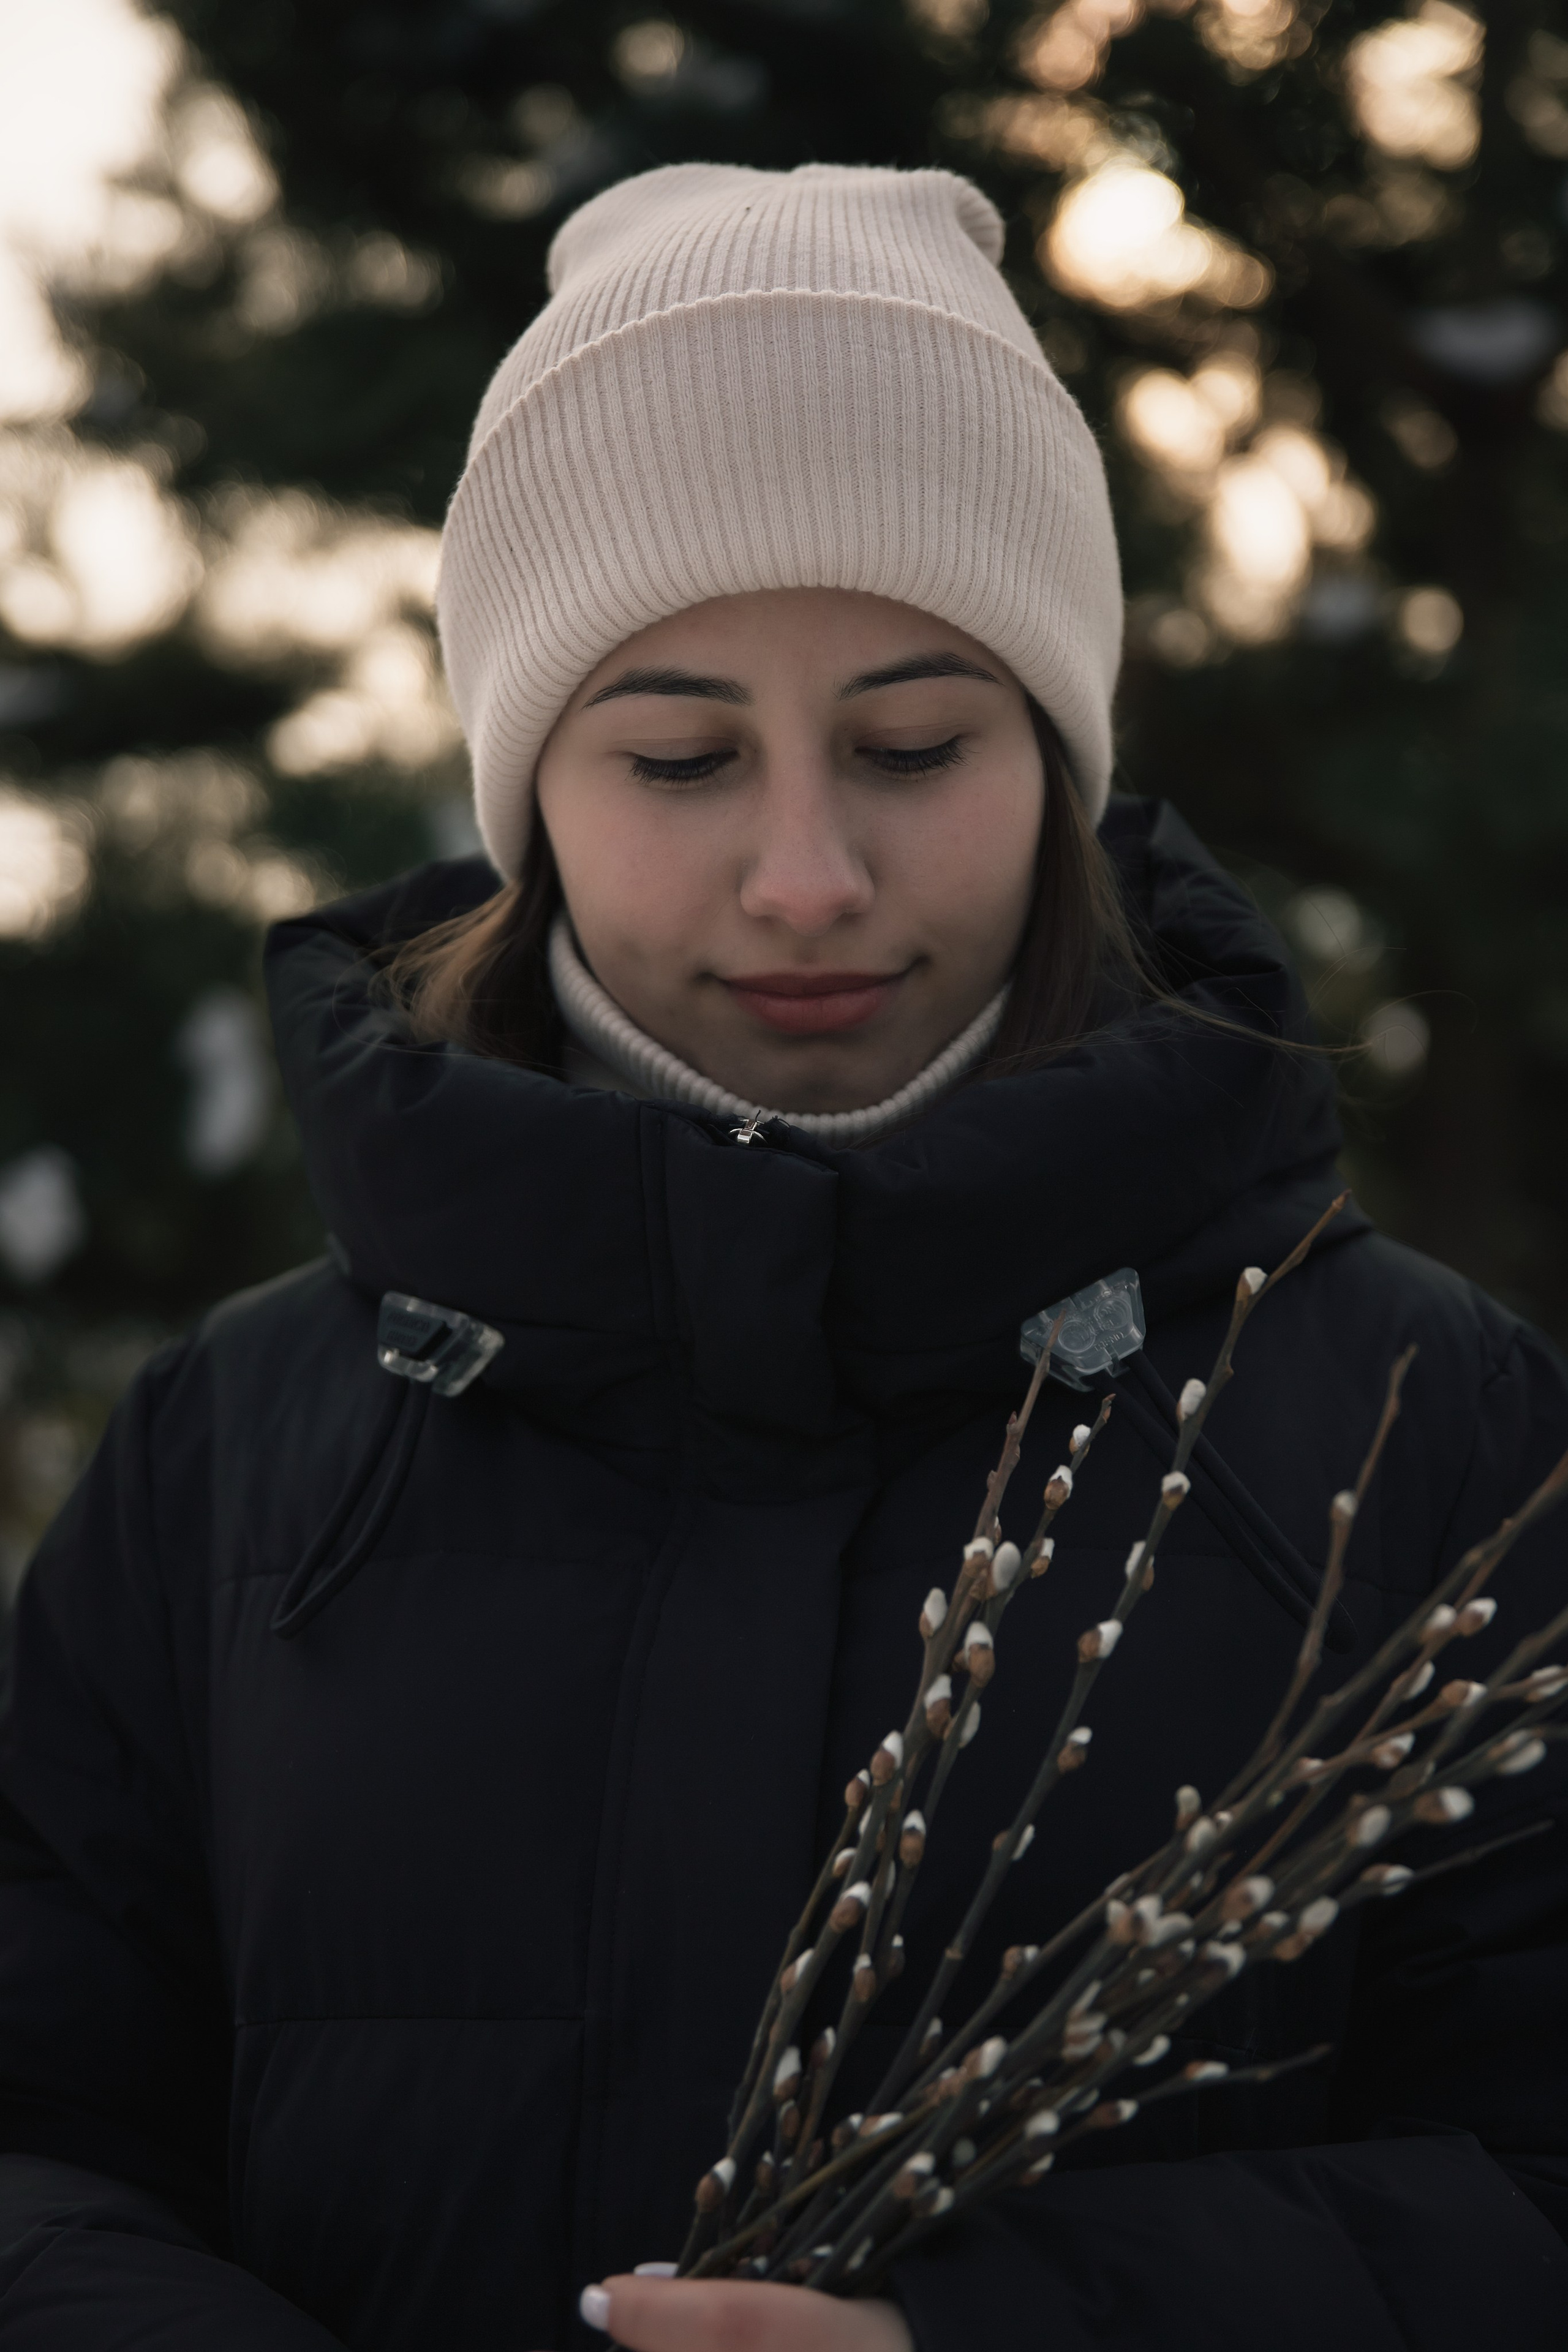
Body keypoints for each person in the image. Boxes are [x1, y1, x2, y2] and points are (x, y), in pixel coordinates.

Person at [1, 162, 1565, 2352]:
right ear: (529, 787)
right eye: (679, 755)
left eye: (917, 743)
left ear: (1057, 749)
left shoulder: (1419, 1429)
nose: (809, 872)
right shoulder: (236, 1462)